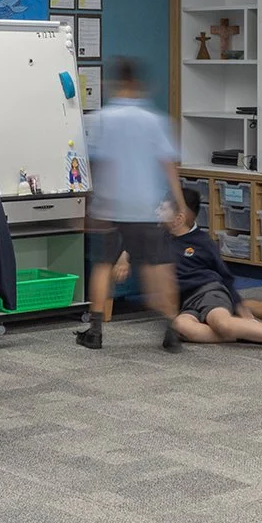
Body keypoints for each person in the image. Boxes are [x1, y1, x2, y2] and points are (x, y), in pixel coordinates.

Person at [76, 57, 186, 352]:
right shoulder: (155, 120)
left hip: (110, 204)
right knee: (158, 264)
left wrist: (91, 202)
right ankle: (170, 325)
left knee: (102, 264)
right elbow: (168, 164)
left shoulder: (101, 118)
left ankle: (96, 331)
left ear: (115, 83)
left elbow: (96, 165)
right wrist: (178, 201)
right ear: (137, 84)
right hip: (143, 204)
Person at [164, 188, 262, 356]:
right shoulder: (162, 240)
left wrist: (239, 305)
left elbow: (225, 276)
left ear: (179, 218)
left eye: (163, 209)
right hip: (187, 303)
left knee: (222, 323)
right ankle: (244, 334)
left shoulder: (202, 242)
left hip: (209, 292)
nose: (157, 212)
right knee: (181, 326)